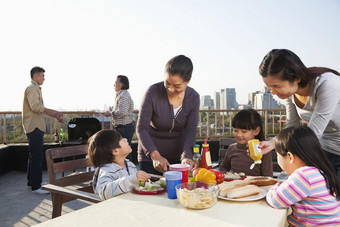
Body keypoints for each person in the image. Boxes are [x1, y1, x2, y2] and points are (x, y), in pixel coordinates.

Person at [258, 49, 340, 178]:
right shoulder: (290, 93)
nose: (273, 92)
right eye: (269, 87)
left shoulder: (327, 84)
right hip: (325, 149)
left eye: (277, 86)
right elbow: (292, 125)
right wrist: (272, 143)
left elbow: (313, 132)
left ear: (296, 78)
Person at [136, 55, 200, 174]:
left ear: (188, 80)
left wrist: (187, 156)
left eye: (177, 86)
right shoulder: (152, 92)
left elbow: (191, 130)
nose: (170, 89)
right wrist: (155, 155)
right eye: (167, 83)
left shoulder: (193, 97)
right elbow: (141, 128)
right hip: (150, 158)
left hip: (179, 160)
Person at [266, 126, 340, 226]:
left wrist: (274, 188)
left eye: (278, 155)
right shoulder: (320, 172)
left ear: (290, 157)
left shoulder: (303, 176)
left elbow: (276, 200)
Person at [22, 66, 64, 194]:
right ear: (35, 76)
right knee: (37, 156)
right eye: (42, 76)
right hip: (34, 126)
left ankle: (32, 183)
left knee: (33, 155)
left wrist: (55, 115)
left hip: (34, 125)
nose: (44, 78)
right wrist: (54, 112)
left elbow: (40, 108)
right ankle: (36, 186)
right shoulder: (32, 89)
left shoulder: (34, 88)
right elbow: (36, 107)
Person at [88, 129, 150, 200]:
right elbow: (103, 192)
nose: (126, 139)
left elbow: (135, 185)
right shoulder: (107, 169)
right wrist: (132, 180)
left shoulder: (130, 165)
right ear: (115, 151)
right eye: (121, 139)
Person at [219, 109, 273, 176]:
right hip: (235, 185)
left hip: (255, 185)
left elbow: (267, 176)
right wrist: (228, 174)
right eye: (235, 130)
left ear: (256, 131)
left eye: (244, 131)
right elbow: (223, 167)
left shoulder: (262, 150)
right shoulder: (232, 148)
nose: (239, 134)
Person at [103, 75, 135, 161]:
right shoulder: (122, 95)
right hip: (123, 127)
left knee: (125, 153)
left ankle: (128, 172)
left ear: (120, 85)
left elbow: (122, 112)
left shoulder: (123, 95)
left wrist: (110, 113)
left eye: (115, 83)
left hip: (124, 128)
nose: (114, 85)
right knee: (124, 152)